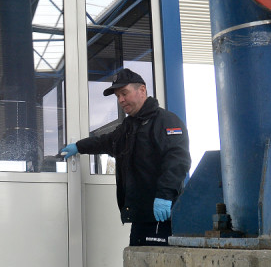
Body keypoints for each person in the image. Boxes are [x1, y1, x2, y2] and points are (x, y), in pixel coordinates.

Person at [60, 68, 191, 247]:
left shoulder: (166, 121)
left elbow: (177, 161)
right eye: (117, 96)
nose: (121, 100)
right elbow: (106, 142)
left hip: (162, 217)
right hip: (139, 217)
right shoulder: (129, 127)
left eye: (124, 93)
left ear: (142, 90)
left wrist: (165, 196)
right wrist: (79, 146)